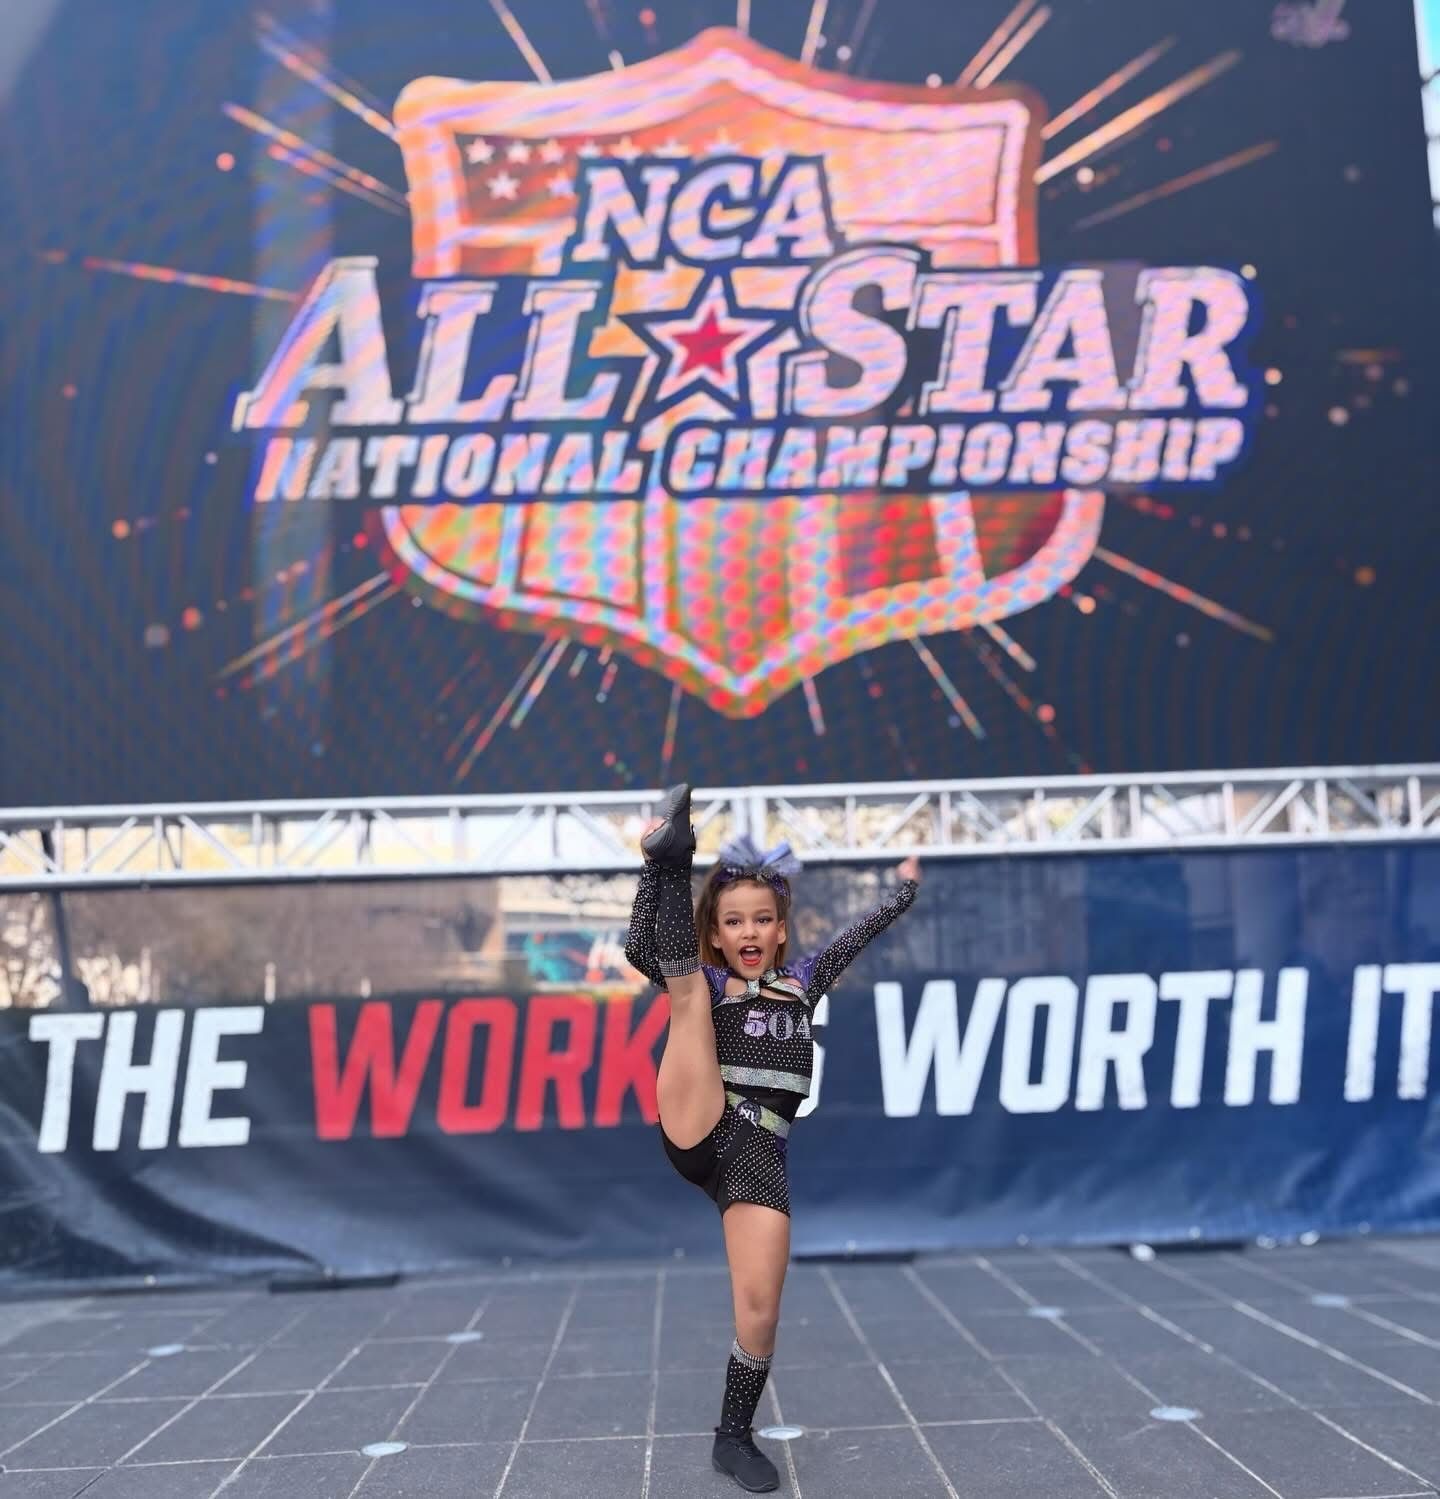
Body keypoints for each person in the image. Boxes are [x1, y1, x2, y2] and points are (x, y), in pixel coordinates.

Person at [625, 784, 920, 1493]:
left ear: (781, 929)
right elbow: (645, 946)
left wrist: (902, 896)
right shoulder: (713, 977)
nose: (749, 931)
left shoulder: (803, 982)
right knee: (687, 990)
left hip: (759, 1154)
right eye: (733, 921)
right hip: (700, 1116)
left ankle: (732, 1435)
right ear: (718, 932)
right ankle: (676, 851)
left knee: (760, 1309)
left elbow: (856, 934)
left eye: (762, 918)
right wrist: (656, 871)